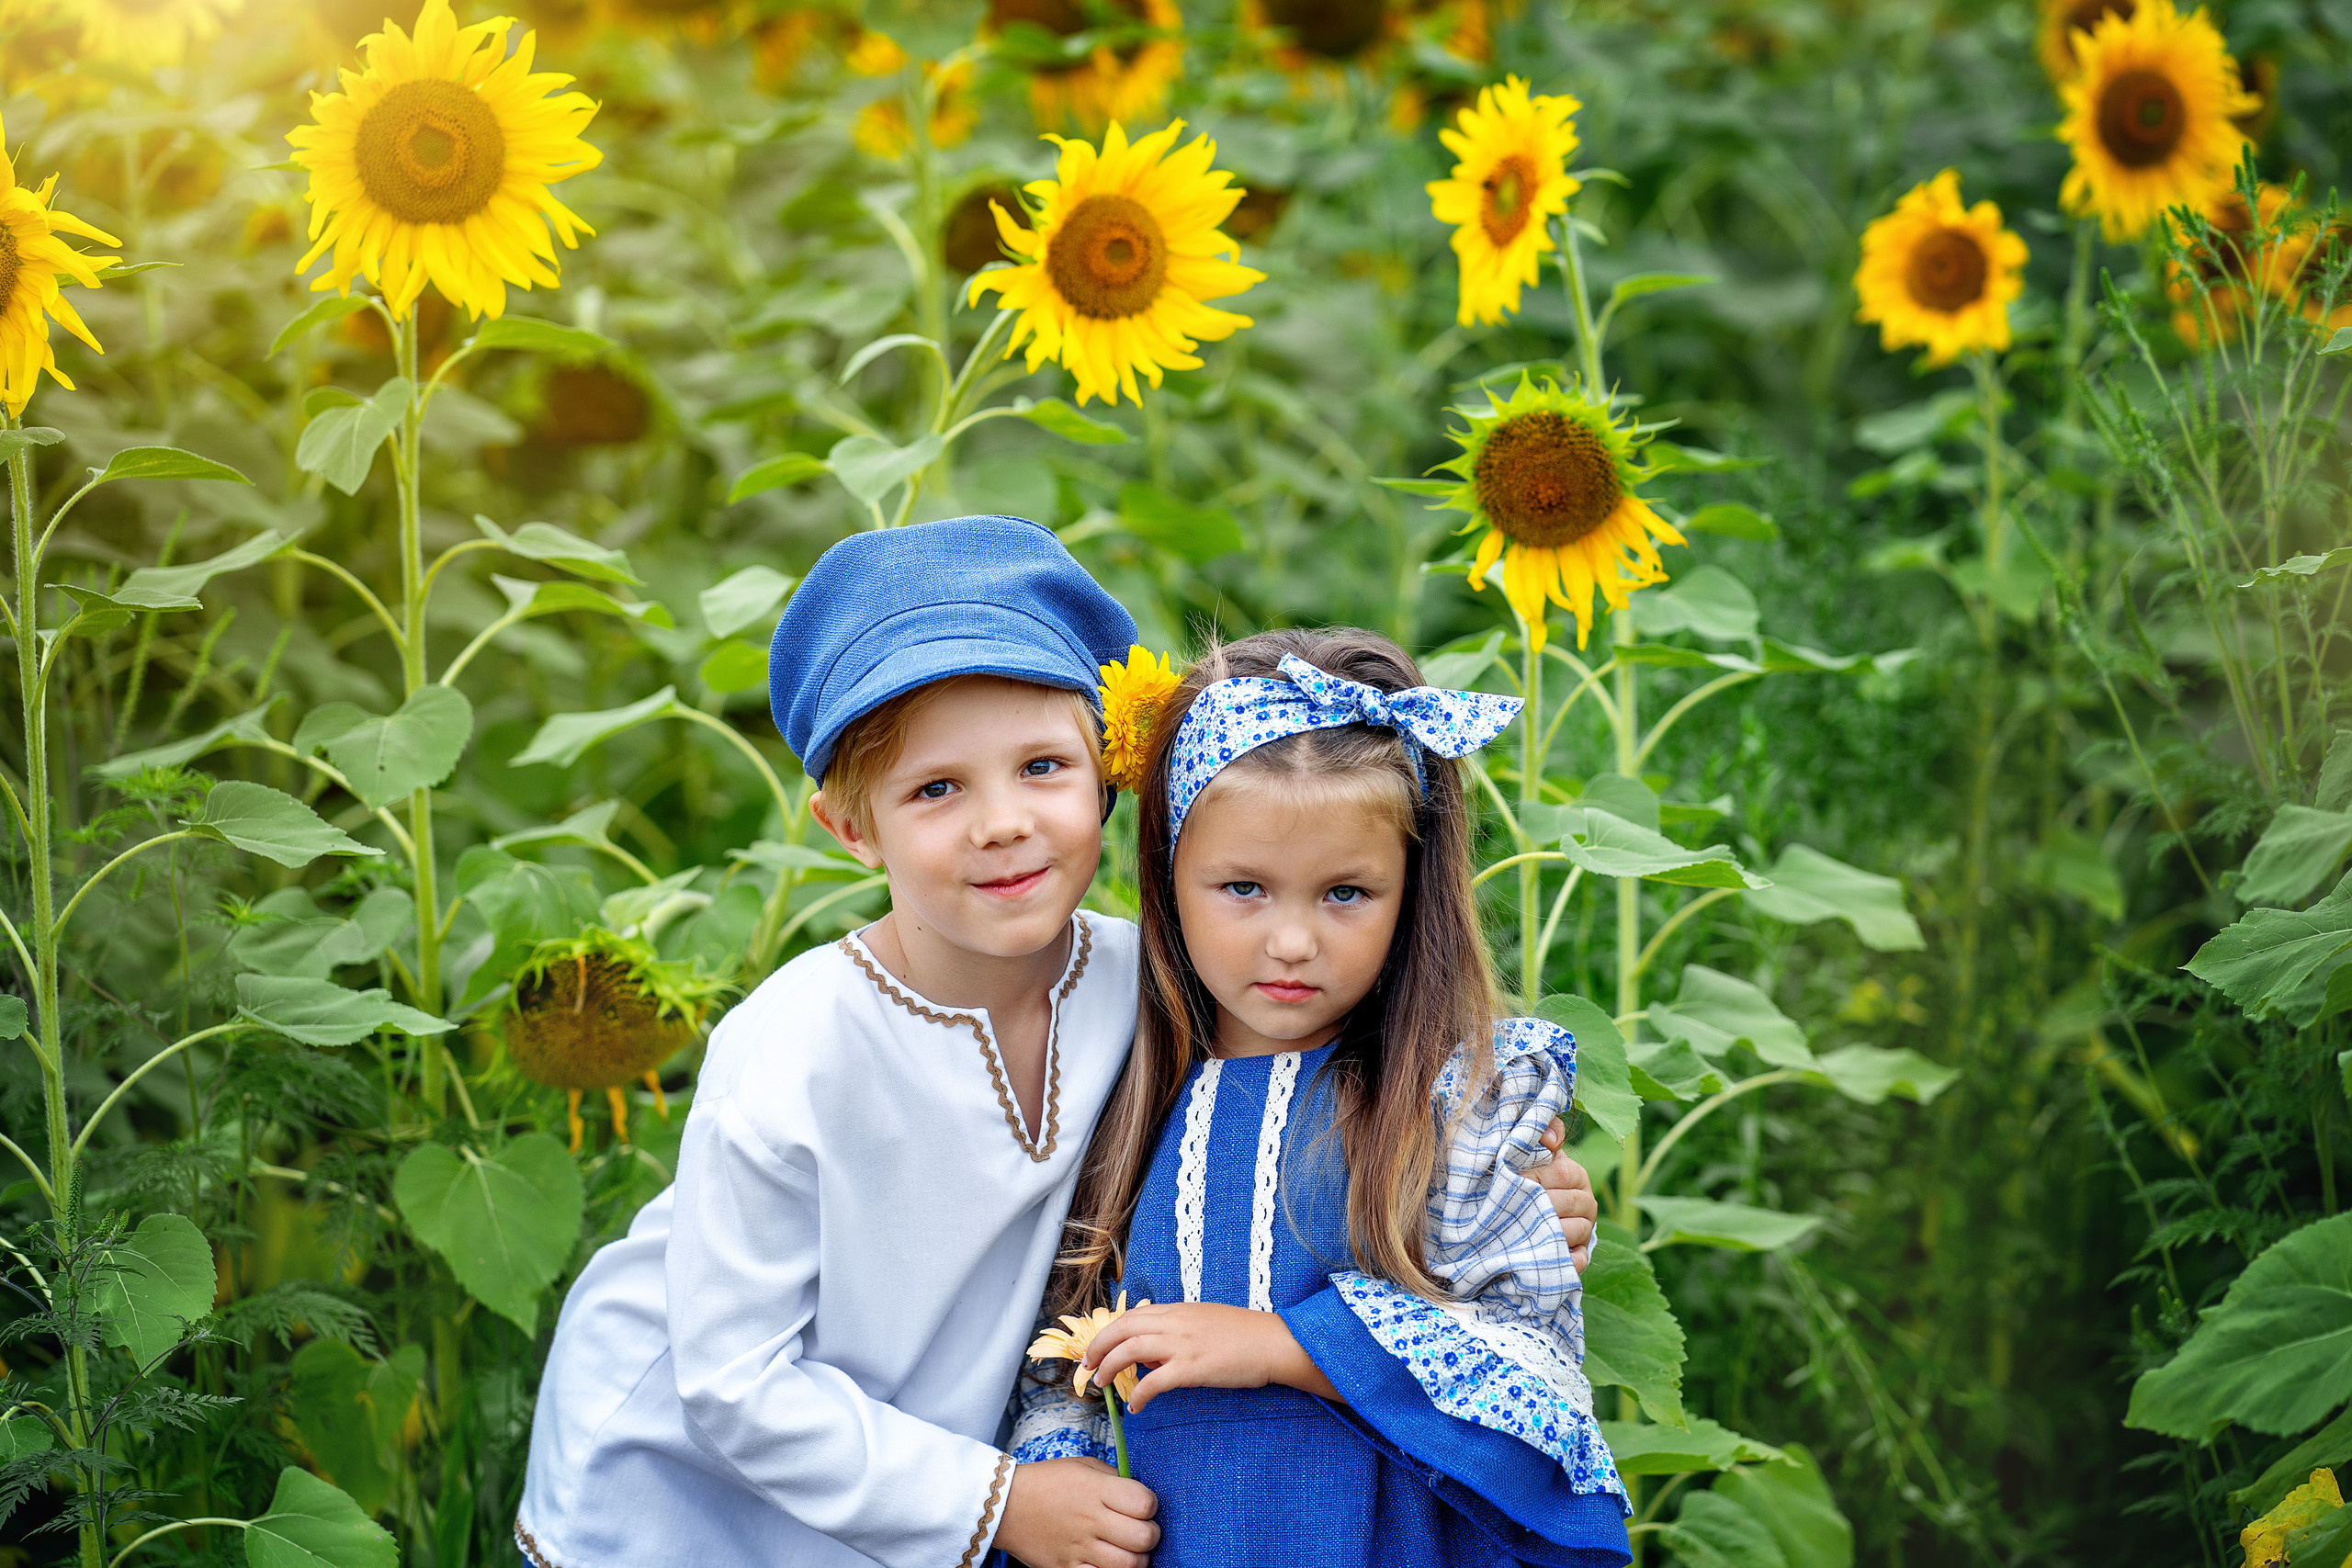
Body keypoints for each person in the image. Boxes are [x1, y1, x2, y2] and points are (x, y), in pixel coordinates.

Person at [513, 517, 1601, 1568]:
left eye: (1042, 767)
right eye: (936, 788)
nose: (1002, 822)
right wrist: (995, 1504)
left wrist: (1509, 1187)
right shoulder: (797, 1049)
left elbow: (1360, 1091)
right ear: (851, 827)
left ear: (1110, 772)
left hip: (923, 1450)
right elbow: (733, 1383)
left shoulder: (1163, 980)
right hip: (689, 1471)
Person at [1013, 627, 1633, 1568]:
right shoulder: (1113, 1085)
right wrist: (1056, 1470)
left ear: (1409, 889)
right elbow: (1064, 1336)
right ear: (1168, 876)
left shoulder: (1454, 1099)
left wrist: (1283, 1346)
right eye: (1244, 888)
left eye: (1346, 893)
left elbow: (1528, 1358)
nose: (1293, 941)